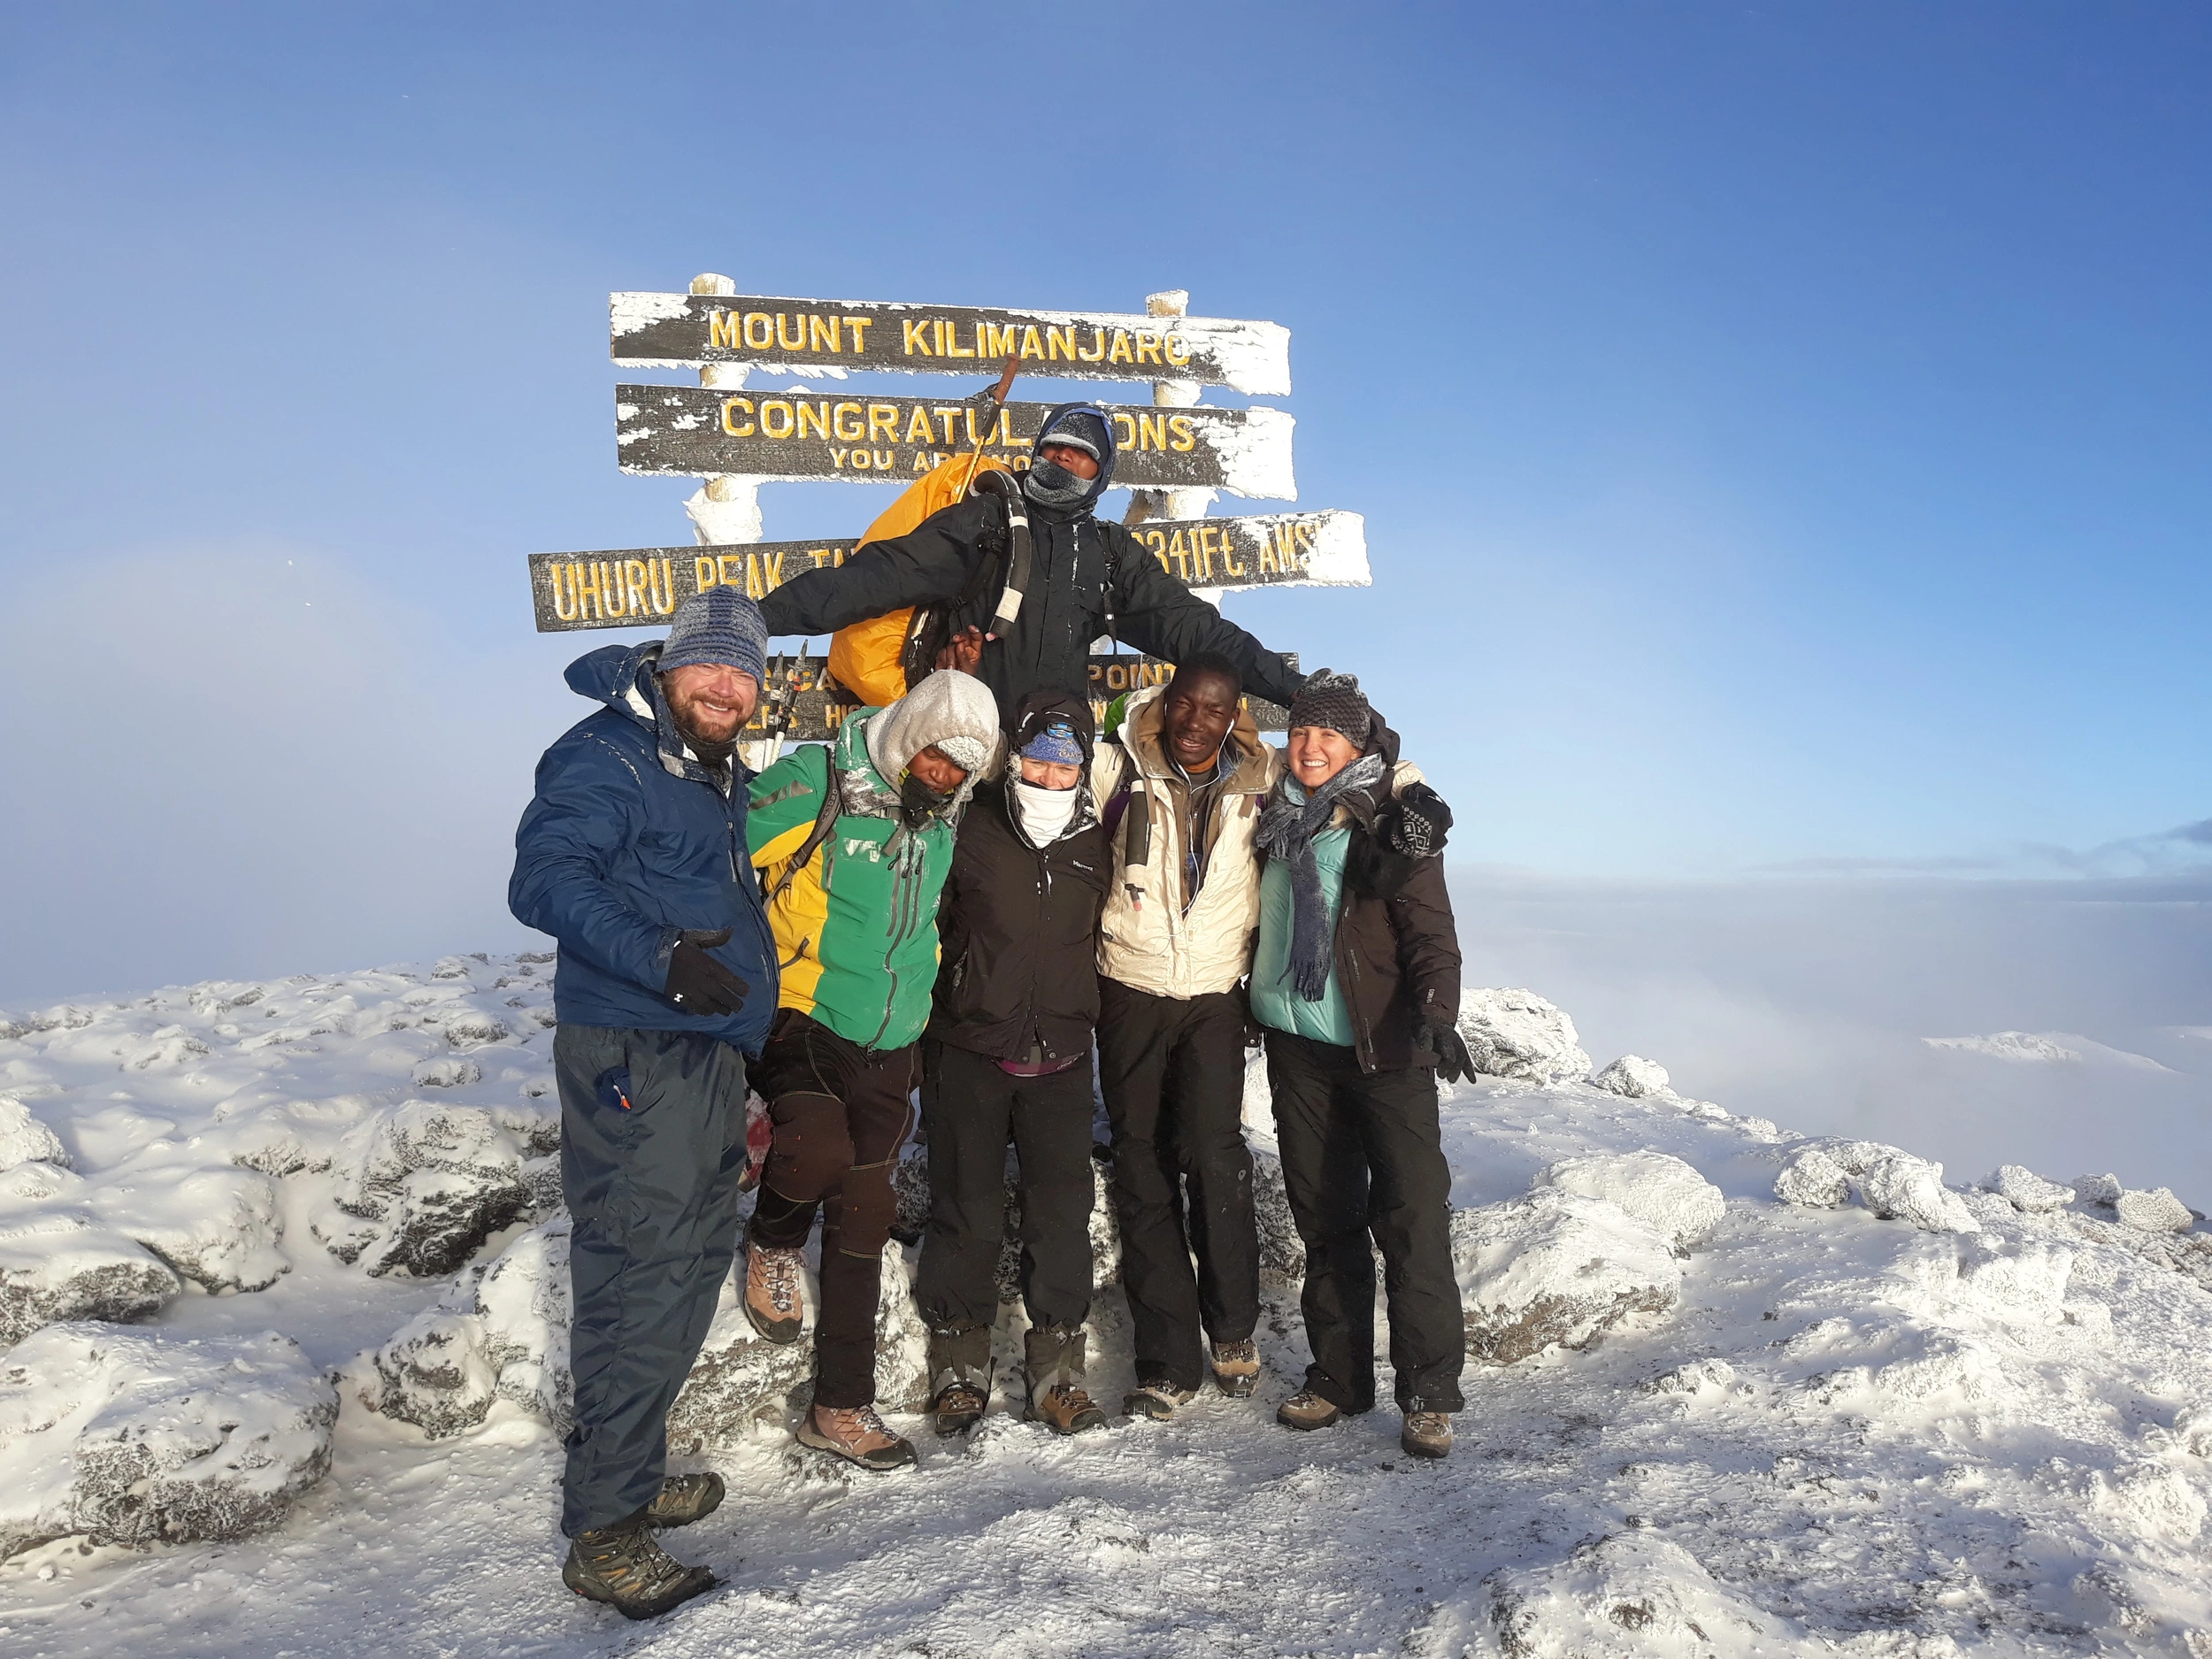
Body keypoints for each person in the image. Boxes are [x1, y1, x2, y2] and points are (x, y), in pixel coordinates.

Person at [509, 587, 779, 1620]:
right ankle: (605, 1535)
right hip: (641, 1049)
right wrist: (660, 962)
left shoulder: (701, 770)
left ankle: (622, 1473)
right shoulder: (608, 755)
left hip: (694, 1054)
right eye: (708, 664)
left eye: (742, 671)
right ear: (668, 668)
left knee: (665, 1268)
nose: (725, 685)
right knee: (646, 1274)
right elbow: (544, 879)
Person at [741, 668, 1002, 1471]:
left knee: (867, 1209)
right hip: (804, 1009)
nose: (946, 775)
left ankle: (840, 1406)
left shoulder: (946, 815)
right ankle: (773, 1241)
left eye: (964, 766)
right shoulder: (818, 778)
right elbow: (719, 861)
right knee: (814, 1149)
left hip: (893, 1036)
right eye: (936, 756)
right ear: (907, 733)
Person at [1248, 669, 1475, 1461]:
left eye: (1329, 735)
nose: (1310, 747)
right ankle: (1339, 1377)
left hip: (1386, 1050)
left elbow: (1431, 933)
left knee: (1413, 1218)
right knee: (1327, 1220)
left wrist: (1438, 1014)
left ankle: (1430, 1393)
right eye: (1301, 732)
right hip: (1298, 1047)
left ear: (1358, 744)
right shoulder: (1273, 815)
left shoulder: (1394, 821)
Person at [757, 403, 1305, 713]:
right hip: (961, 744)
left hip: (1052, 765)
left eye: (1083, 452)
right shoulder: (987, 523)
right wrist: (754, 621)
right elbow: (873, 579)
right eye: (1053, 446)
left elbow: (1198, 632)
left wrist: (1299, 691)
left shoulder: (1111, 555)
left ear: (1102, 473)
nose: (1064, 455)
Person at [915, 690, 1112, 1437]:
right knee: (965, 1206)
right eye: (1039, 759)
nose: (1052, 776)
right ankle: (959, 1367)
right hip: (969, 1046)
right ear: (1014, 756)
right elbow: (931, 922)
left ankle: (1058, 1373)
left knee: (1061, 1216)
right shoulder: (973, 824)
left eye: (1068, 766)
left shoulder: (1097, 841)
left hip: (1061, 1054)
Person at [1088, 650, 1279, 1419]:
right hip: (1129, 984)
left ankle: (1232, 1325)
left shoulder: (1262, 784)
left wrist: (1406, 782)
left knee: (1213, 1150)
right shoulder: (1116, 769)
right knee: (1142, 1161)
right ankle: (1166, 1359)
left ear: (1237, 715)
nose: (1198, 721)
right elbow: (1031, 769)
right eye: (1187, 704)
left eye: (1217, 708)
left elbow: (1355, 776)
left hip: (1212, 992)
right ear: (1166, 703)